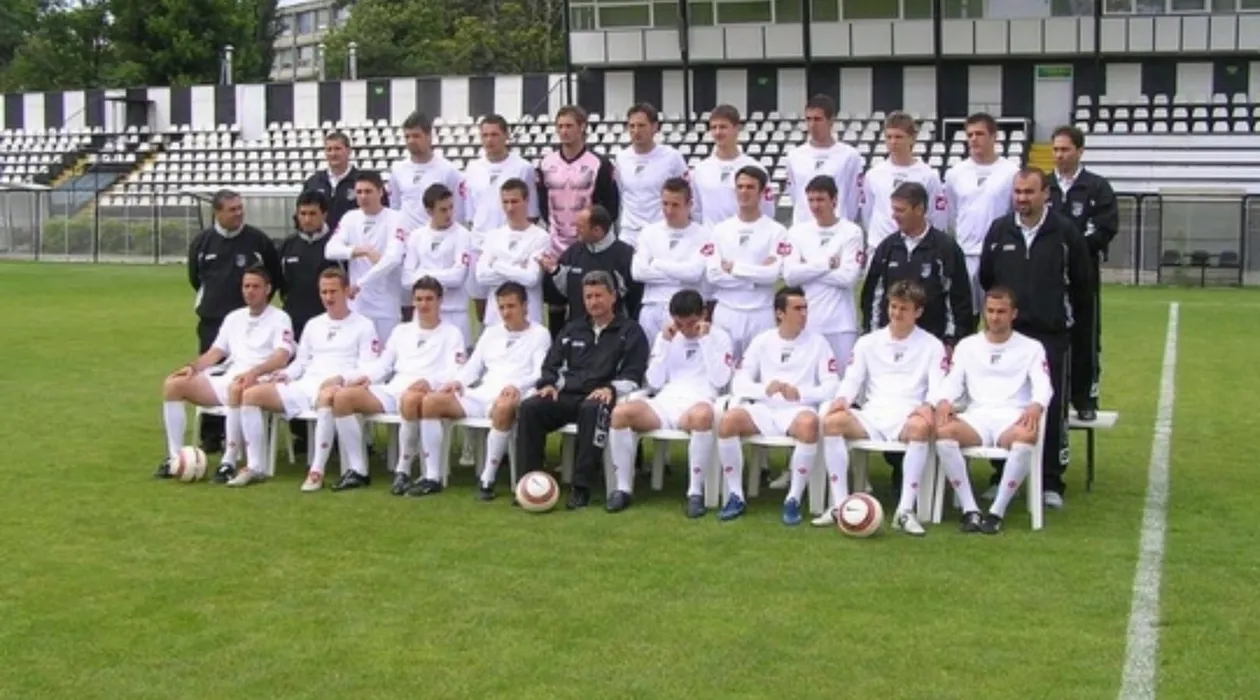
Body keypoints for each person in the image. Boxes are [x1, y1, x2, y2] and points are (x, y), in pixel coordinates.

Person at [979, 167, 1094, 510]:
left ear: (1046, 194)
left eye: (1029, 192)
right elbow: (988, 278)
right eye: (1017, 192)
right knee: (1004, 402)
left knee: (1050, 406)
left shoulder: (1065, 233)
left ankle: (1050, 481)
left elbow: (1082, 285)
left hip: (1051, 335)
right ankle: (1002, 475)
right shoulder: (1000, 230)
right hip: (1009, 335)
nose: (1022, 198)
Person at [815, 280, 947, 534]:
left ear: (918, 312)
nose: (896, 313)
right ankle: (840, 505)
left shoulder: (932, 345)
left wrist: (929, 405)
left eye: (904, 308)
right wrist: (842, 399)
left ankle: (904, 511)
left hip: (907, 415)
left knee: (921, 427)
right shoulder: (868, 342)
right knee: (832, 422)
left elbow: (937, 385)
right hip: (872, 414)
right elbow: (852, 378)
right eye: (893, 306)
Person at [514, 271, 649, 510]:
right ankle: (528, 483)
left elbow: (634, 374)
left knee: (592, 409)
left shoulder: (630, 332)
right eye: (588, 297)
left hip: (603, 397)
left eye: (599, 295)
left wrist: (610, 388)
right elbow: (551, 365)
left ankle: (581, 488)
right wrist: (548, 384)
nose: (593, 302)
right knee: (530, 408)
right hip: (568, 394)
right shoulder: (572, 329)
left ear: (613, 296)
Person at [234, 268, 379, 490]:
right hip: (306, 384)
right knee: (251, 395)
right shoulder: (314, 324)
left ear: (346, 291)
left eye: (333, 292)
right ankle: (255, 466)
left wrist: (341, 378)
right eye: (323, 292)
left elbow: (369, 367)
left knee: (326, 396)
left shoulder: (364, 325)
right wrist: (285, 374)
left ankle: (316, 471)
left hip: (337, 387)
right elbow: (301, 362)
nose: (328, 297)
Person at [413, 282, 553, 500]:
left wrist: (517, 385)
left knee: (504, 407)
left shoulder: (540, 334)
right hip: (483, 393)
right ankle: (432, 477)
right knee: (431, 401)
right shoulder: (491, 332)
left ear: (525, 306)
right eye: (502, 307)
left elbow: (539, 373)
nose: (506, 312)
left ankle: (487, 479)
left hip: (515, 394)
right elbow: (473, 366)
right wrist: (457, 382)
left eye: (511, 306)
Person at [933, 286, 1054, 535]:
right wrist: (944, 400)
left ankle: (997, 511)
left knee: (1026, 436)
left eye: (1001, 311)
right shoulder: (967, 346)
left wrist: (1036, 405)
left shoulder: (1031, 347)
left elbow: (1043, 385)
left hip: (1012, 417)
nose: (995, 317)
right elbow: (952, 381)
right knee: (943, 432)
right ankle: (970, 509)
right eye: (990, 311)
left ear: (1013, 314)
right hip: (977, 417)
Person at [155, 266, 294, 483]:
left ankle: (228, 462)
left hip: (261, 380)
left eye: (255, 286)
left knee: (235, 388)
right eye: (246, 286)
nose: (250, 291)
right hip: (230, 376)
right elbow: (216, 352)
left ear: (267, 289)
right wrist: (193, 367)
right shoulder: (234, 317)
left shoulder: (280, 318)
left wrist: (254, 372)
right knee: (173, 384)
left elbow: (282, 356)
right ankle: (174, 458)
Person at [329, 277, 467, 493]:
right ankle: (357, 470)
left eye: (429, 299)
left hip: (425, 394)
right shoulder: (401, 331)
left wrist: (429, 381)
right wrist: (365, 377)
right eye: (419, 299)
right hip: (394, 389)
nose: (423, 304)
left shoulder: (452, 333)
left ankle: (402, 470)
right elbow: (384, 364)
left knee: (411, 398)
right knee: (342, 398)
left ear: (440, 301)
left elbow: (455, 370)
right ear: (413, 301)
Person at [715, 286, 839, 524]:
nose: (804, 313)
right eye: (797, 308)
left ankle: (793, 498)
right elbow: (739, 381)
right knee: (728, 420)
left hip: (798, 410)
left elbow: (832, 385)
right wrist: (765, 389)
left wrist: (801, 393)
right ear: (780, 313)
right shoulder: (762, 341)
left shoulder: (819, 343)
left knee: (809, 423)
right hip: (764, 409)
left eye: (805, 308)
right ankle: (735, 495)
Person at [606, 290, 734, 516]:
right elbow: (654, 382)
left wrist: (704, 340)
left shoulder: (720, 337)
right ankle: (623, 488)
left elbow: (720, 380)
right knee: (620, 413)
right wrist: (665, 343)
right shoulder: (666, 336)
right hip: (665, 402)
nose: (686, 329)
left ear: (703, 314)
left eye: (691, 323)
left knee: (703, 415)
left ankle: (695, 492)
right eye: (680, 323)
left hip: (700, 401)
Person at [187, 189, 283, 453]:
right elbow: (195, 278)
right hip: (213, 322)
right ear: (217, 212)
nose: (239, 213)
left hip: (252, 323)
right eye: (232, 209)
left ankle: (257, 430)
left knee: (251, 374)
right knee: (211, 374)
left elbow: (273, 276)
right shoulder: (202, 242)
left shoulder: (258, 241)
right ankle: (212, 435)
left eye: (241, 208)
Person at [1049, 125, 1118, 421]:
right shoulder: (1044, 186)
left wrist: (1073, 250)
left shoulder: (1097, 187)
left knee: (1085, 335)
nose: (1059, 155)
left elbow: (1105, 228)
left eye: (1065, 149)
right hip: (1047, 275)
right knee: (1050, 335)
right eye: (1055, 149)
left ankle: (1085, 398)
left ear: (1079, 151)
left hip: (1083, 275)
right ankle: (1051, 398)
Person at [537, 105, 620, 333]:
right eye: (560, 126)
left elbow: (609, 207)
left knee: (586, 302)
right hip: (556, 244)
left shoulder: (599, 164)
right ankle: (557, 347)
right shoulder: (546, 163)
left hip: (586, 247)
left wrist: (594, 236)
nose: (564, 131)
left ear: (582, 127)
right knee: (555, 303)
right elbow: (543, 202)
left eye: (569, 126)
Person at [861, 181, 973, 349]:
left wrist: (951, 341)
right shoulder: (887, 248)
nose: (894, 216)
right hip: (890, 344)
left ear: (919, 209)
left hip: (933, 345)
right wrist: (873, 336)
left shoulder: (945, 248)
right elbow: (872, 298)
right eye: (893, 209)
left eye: (900, 210)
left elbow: (958, 300)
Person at [703, 166, 790, 359]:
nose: (744, 192)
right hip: (726, 312)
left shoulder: (777, 231)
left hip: (762, 313)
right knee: (724, 370)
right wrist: (755, 278)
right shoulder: (720, 230)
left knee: (761, 370)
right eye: (740, 187)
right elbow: (713, 275)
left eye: (750, 187)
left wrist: (734, 268)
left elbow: (772, 275)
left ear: (762, 192)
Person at [782, 174, 865, 369]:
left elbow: (848, 277)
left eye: (820, 199)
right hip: (808, 323)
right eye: (811, 200)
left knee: (842, 381)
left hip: (841, 325)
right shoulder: (797, 232)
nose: (815, 206)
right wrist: (827, 264)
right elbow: (790, 277)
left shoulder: (851, 232)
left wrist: (807, 268)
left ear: (834, 200)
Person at [464, 114, 539, 329]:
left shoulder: (523, 167)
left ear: (506, 135)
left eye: (495, 134)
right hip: (480, 242)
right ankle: (486, 337)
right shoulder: (473, 168)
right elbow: (471, 212)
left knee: (513, 297)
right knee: (481, 301)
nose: (489, 140)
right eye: (485, 135)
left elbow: (531, 211)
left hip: (511, 243)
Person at [943, 112, 1019, 317]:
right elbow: (952, 212)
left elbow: (1014, 212)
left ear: (994, 136)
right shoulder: (955, 173)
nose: (974, 139)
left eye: (979, 134)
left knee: (998, 315)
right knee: (965, 315)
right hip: (965, 253)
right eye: (970, 135)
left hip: (998, 255)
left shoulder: (1011, 172)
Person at [325, 170, 408, 343]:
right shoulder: (350, 218)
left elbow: (391, 260)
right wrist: (362, 251)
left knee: (386, 353)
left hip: (386, 305)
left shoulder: (396, 219)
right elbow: (330, 250)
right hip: (358, 305)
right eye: (359, 192)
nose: (363, 197)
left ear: (381, 192)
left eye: (368, 191)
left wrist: (360, 283)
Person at [860, 112, 948, 263]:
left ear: (912, 138)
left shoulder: (928, 175)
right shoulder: (874, 174)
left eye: (899, 137)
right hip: (880, 246)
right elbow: (867, 213)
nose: (893, 142)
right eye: (889, 137)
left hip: (915, 248)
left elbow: (937, 216)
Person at [630, 177, 708, 342]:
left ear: (689, 205)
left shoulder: (703, 235)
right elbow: (638, 272)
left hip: (685, 314)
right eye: (665, 204)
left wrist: (657, 263)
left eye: (675, 205)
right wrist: (679, 273)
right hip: (651, 307)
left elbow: (694, 273)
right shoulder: (648, 232)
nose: (669, 210)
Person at [541, 204, 641, 325]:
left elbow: (635, 302)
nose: (575, 231)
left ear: (597, 230)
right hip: (577, 330)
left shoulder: (625, 256)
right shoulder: (573, 252)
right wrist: (553, 271)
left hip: (614, 332)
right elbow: (557, 297)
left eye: (581, 227)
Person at [475, 178, 552, 327]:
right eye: (505, 202)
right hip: (495, 319)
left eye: (514, 201)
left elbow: (531, 278)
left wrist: (497, 265)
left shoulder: (541, 237)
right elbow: (481, 276)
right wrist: (517, 267)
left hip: (528, 319)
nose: (510, 208)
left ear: (526, 200)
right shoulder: (493, 236)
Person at [403, 183, 472, 346]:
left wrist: (424, 274)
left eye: (451, 208)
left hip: (454, 312)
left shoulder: (463, 235)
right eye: (443, 210)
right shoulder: (416, 236)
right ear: (429, 211)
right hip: (423, 313)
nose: (449, 214)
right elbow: (406, 279)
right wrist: (442, 275)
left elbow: (457, 277)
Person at [613, 103, 687, 248]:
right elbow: (621, 194)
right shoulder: (621, 157)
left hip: (661, 232)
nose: (636, 131)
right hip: (629, 234)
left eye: (641, 125)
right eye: (632, 126)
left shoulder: (672, 157)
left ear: (654, 127)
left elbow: (686, 193)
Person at [784, 94, 863, 225]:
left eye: (817, 119)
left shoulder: (849, 155)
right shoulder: (794, 156)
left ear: (831, 121)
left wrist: (844, 223)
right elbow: (795, 195)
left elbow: (853, 197)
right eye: (808, 119)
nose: (812, 125)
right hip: (803, 227)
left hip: (837, 227)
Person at [387, 111, 467, 233]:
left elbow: (458, 209)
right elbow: (395, 206)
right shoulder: (398, 170)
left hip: (437, 236)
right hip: (407, 238)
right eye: (407, 137)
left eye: (416, 136)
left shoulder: (448, 170)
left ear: (429, 136)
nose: (411, 141)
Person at [299, 131, 368, 231]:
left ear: (349, 151)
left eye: (337, 149)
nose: (333, 154)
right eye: (329, 149)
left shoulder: (364, 182)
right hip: (321, 239)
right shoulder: (313, 182)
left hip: (354, 239)